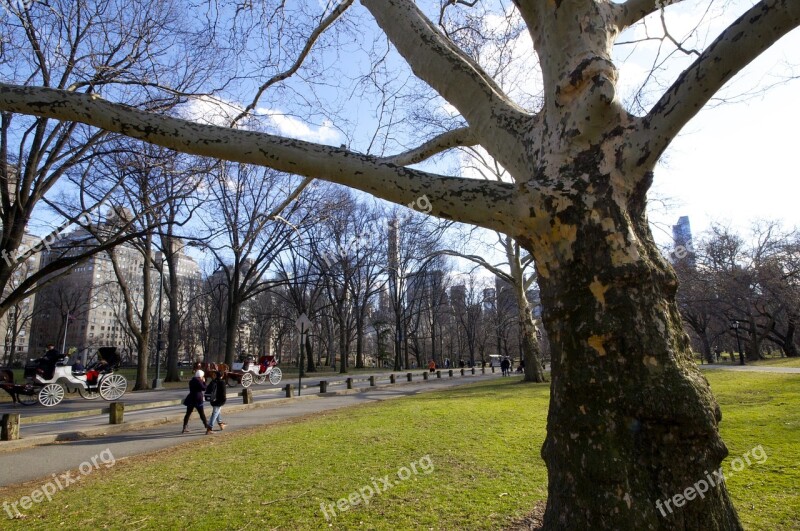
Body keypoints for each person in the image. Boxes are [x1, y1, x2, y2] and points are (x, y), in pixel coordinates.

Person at [182, 370, 212, 435]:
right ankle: (206, 426)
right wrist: (203, 382)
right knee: (201, 413)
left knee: (188, 413)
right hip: (198, 398)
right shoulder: (199, 381)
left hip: (191, 398)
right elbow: (204, 388)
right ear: (201, 376)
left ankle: (184, 427)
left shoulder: (191, 381)